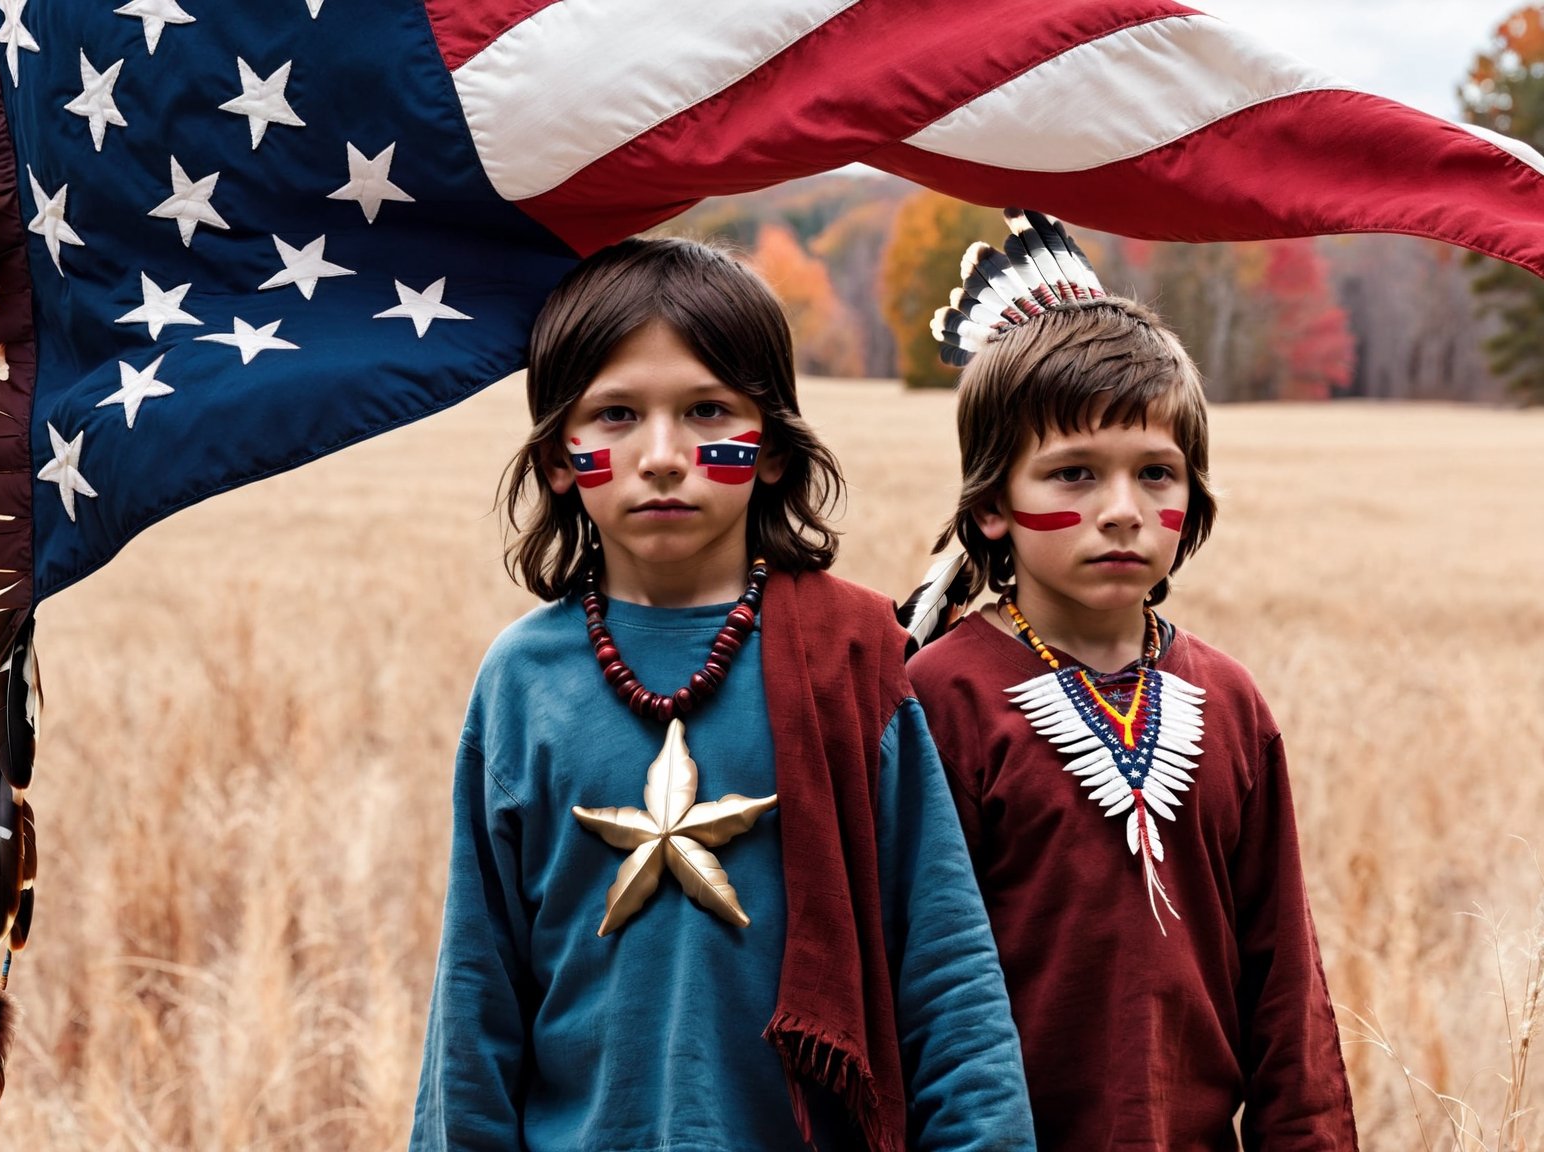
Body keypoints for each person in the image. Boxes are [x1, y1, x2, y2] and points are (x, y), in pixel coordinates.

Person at [409, 237, 1035, 1151]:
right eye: (615, 414)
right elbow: (477, 995)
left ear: (774, 448)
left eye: (708, 410)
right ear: (557, 456)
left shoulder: (854, 657)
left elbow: (943, 966)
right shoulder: (520, 682)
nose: (662, 456)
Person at [902, 209, 1358, 1151]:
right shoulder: (939, 699)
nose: (1122, 512)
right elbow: (907, 978)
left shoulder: (1229, 704)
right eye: (1073, 475)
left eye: (1157, 472)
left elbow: (1286, 986)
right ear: (993, 506)